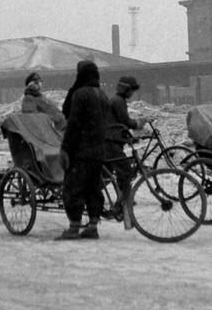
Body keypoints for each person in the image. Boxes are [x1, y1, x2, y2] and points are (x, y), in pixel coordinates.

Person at [58, 60, 109, 240]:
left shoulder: (80, 94)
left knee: (73, 189)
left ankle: (74, 227)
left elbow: (74, 123)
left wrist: (65, 148)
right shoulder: (102, 95)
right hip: (98, 152)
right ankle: (93, 226)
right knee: (93, 189)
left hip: (81, 151)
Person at [105, 76, 149, 206]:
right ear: (125, 89)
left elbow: (120, 122)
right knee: (125, 169)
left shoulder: (118, 100)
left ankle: (122, 197)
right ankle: (124, 199)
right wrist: (139, 123)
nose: (132, 93)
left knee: (116, 169)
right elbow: (125, 121)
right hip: (111, 141)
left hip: (112, 139)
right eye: (131, 90)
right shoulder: (118, 101)